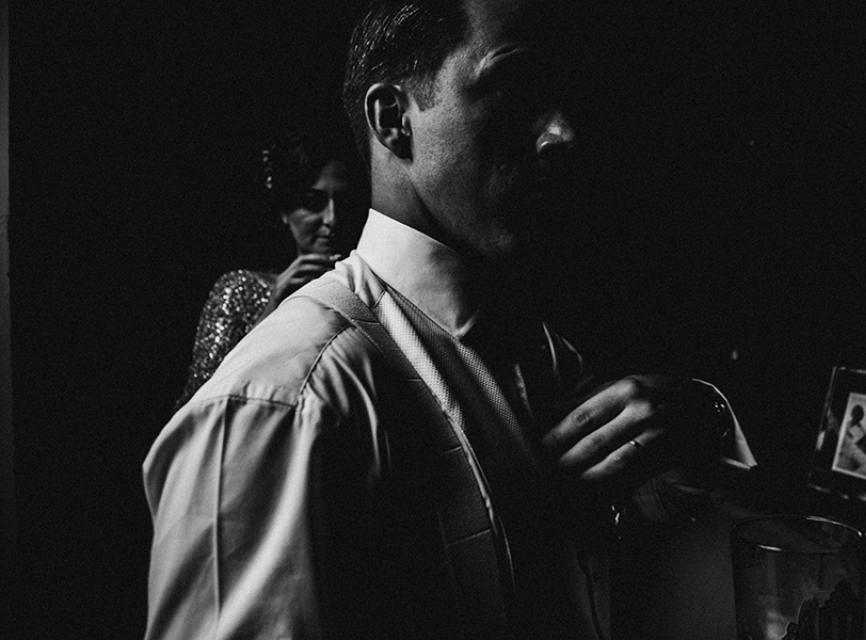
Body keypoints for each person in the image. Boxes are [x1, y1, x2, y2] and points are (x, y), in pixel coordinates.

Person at [143, 1, 754, 638]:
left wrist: (703, 424)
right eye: (511, 88)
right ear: (393, 120)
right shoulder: (288, 402)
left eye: (558, 94)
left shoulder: (544, 349)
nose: (562, 133)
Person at [175, 130, 363, 408]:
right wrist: (275, 303)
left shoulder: (368, 291)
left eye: (344, 203)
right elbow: (195, 400)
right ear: (285, 211)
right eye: (313, 203)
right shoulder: (241, 289)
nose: (332, 219)